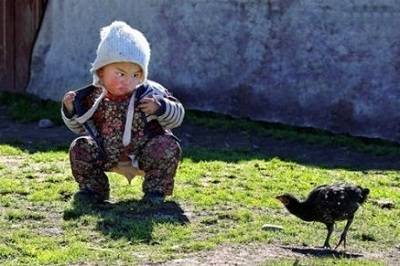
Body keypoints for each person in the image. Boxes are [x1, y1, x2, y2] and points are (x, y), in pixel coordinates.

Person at [61, 21, 184, 204]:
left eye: (135, 75)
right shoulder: (92, 97)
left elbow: (178, 116)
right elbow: (79, 126)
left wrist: (161, 107)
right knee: (80, 146)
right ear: (101, 72)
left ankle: (155, 192)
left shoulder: (151, 93)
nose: (127, 81)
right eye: (120, 74)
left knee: (167, 145)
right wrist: (69, 110)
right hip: (106, 152)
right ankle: (93, 190)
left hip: (144, 152)